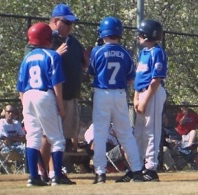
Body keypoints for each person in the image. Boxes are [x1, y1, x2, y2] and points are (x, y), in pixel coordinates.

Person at [17, 22, 76, 187]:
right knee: (57, 138)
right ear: (48, 38)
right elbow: (57, 83)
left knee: (33, 137)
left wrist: (24, 107)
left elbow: (20, 86)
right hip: (45, 94)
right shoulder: (52, 55)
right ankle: (57, 176)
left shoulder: (27, 58)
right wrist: (60, 106)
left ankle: (33, 177)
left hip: (28, 96)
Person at [88, 16, 144, 184]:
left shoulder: (97, 51)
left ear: (102, 33)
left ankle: (100, 172)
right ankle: (137, 170)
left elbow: (91, 72)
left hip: (102, 94)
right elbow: (130, 78)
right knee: (126, 134)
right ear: (119, 33)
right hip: (119, 94)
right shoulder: (125, 53)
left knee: (99, 134)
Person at [132, 19, 167, 182]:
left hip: (152, 93)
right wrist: (136, 97)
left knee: (151, 131)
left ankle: (151, 168)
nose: (138, 36)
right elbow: (139, 78)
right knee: (138, 131)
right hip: (142, 93)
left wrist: (144, 99)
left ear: (148, 35)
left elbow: (156, 79)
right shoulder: (143, 53)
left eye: (140, 33)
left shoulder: (157, 52)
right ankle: (137, 166)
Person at [175, 101, 198, 169]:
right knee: (193, 147)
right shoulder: (180, 114)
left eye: (186, 106)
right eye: (183, 106)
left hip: (190, 136)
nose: (185, 108)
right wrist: (185, 115)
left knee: (193, 132)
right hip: (182, 136)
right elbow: (181, 123)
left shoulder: (192, 114)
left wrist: (194, 126)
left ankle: (197, 164)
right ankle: (194, 164)